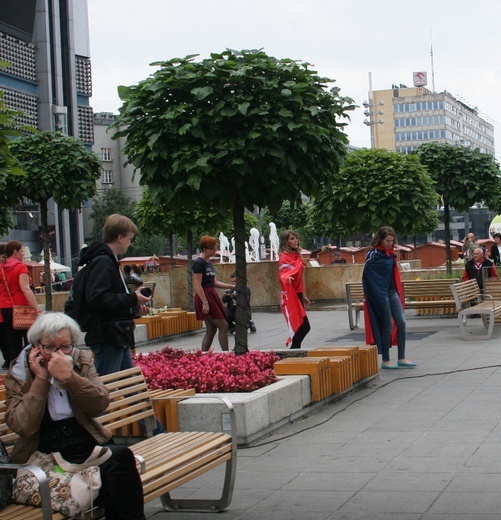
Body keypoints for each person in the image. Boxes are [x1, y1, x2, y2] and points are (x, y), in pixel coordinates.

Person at [3, 312, 146, 520]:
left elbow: (99, 405)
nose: (57, 354)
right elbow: (23, 426)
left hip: (84, 442)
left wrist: (70, 378)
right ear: (36, 347)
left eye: (65, 347)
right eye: (50, 347)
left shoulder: (80, 360)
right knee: (116, 469)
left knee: (117, 464)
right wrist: (41, 380)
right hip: (44, 452)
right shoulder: (19, 374)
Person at [75, 214, 151, 375]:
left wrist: (133, 308)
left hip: (116, 335)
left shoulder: (108, 260)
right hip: (108, 336)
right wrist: (132, 298)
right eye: (130, 238)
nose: (130, 243)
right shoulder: (103, 262)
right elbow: (97, 298)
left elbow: (110, 300)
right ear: (120, 238)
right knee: (105, 389)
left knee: (131, 387)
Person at [362, 227, 415, 369]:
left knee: (402, 322)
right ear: (380, 239)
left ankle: (401, 358)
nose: (390, 244)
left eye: (392, 241)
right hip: (380, 293)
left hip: (391, 291)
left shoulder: (389, 254)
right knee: (388, 325)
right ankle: (386, 360)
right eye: (387, 241)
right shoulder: (372, 255)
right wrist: (375, 294)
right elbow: (367, 276)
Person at [0, 240, 41, 367]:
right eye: (22, 251)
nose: (23, 254)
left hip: (5, 307)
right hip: (21, 308)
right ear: (15, 252)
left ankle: (15, 370)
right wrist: (36, 307)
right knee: (30, 340)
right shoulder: (20, 267)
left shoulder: (1, 267)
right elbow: (25, 288)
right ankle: (31, 368)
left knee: (13, 342)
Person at [193, 235, 235, 352]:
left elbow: (214, 282)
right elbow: (197, 284)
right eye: (213, 248)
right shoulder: (199, 263)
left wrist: (232, 286)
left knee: (211, 330)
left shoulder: (208, 263)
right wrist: (205, 303)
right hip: (205, 297)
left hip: (210, 294)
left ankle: (204, 355)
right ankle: (226, 353)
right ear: (205, 249)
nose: (215, 250)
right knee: (224, 325)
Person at [278, 230, 311, 349]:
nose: (295, 240)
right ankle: (294, 351)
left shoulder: (295, 256)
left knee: (301, 326)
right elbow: (283, 275)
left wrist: (303, 295)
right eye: (292, 239)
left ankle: (295, 352)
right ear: (285, 242)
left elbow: (298, 278)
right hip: (291, 296)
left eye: (296, 238)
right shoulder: (284, 257)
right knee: (304, 326)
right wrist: (287, 278)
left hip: (298, 294)